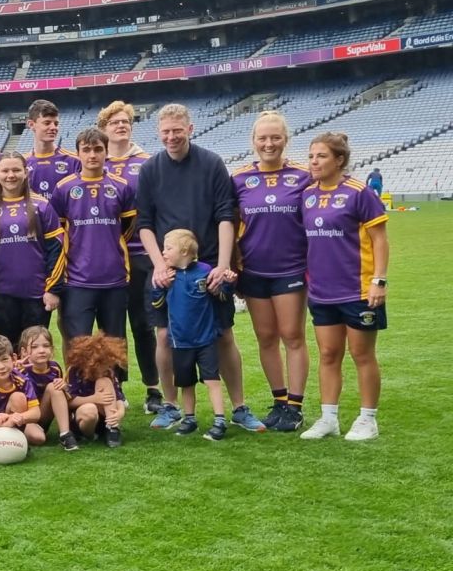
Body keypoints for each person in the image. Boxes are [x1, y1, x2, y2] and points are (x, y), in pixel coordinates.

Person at [136, 103, 265, 432]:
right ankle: (170, 405)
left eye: (177, 130)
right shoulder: (151, 169)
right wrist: (158, 266)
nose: (171, 137)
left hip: (206, 269)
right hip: (168, 272)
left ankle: (238, 408)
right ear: (158, 133)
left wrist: (221, 266)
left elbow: (225, 216)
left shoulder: (211, 164)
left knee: (222, 335)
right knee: (164, 337)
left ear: (190, 129)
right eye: (165, 132)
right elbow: (145, 225)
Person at [300, 133, 389, 442]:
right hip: (322, 291)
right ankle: (329, 418)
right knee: (328, 354)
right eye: (311, 156)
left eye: (321, 156)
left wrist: (379, 280)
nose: (314, 161)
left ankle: (368, 419)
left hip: (359, 289)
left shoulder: (359, 192)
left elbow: (380, 239)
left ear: (339, 160)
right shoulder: (307, 195)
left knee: (362, 354)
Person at [232, 111, 313, 432]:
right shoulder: (238, 179)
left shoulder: (303, 176)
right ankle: (279, 401)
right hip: (253, 271)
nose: (269, 144)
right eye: (263, 138)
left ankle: (295, 406)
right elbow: (230, 224)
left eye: (275, 137)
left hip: (291, 269)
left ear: (286, 140)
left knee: (292, 336)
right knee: (266, 338)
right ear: (253, 142)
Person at [99, 100, 162, 413]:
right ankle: (117, 386)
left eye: (126, 121)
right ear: (104, 129)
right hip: (108, 258)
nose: (121, 126)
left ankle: (153, 388)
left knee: (143, 324)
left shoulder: (147, 162)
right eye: (114, 122)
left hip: (142, 255)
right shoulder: (97, 162)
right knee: (113, 328)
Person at [50, 127, 136, 343]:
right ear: (78, 153)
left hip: (114, 279)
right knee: (80, 347)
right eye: (86, 150)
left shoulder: (121, 186)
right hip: (77, 280)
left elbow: (128, 226)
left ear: (106, 152)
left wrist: (109, 245)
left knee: (114, 347)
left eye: (98, 149)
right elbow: (58, 235)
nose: (92, 155)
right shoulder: (64, 188)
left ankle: (114, 380)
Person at [150, 229, 231, 441]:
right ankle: (189, 418)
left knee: (212, 379)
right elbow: (156, 304)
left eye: (168, 248)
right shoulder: (168, 275)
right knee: (185, 382)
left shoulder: (205, 271)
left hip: (206, 340)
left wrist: (229, 283)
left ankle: (220, 420)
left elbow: (221, 295)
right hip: (180, 341)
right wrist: (159, 287)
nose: (163, 252)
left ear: (184, 251)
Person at [0, 152, 65, 340]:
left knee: (34, 350)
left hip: (36, 295)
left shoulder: (42, 206)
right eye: (5, 170)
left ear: (26, 172)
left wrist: (53, 289)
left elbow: (56, 249)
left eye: (16, 170)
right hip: (1, 296)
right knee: (9, 352)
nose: (10, 175)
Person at [17, 326, 77, 451]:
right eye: (35, 347)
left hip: (43, 415)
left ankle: (65, 434)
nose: (41, 350)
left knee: (54, 386)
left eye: (46, 346)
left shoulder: (55, 368)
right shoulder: (19, 371)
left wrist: (65, 387)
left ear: (52, 349)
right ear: (23, 352)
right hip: (25, 418)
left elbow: (66, 396)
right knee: (39, 439)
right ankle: (17, 433)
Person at [64, 332, 127, 447]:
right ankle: (88, 435)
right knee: (90, 409)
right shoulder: (74, 372)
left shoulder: (108, 373)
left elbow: (118, 398)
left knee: (105, 382)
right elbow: (69, 402)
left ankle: (112, 428)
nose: (106, 367)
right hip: (82, 418)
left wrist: (120, 413)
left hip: (103, 418)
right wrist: (94, 399)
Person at [24, 99, 81, 198]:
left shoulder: (74, 161)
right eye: (47, 123)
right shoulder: (22, 163)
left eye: (56, 124)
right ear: (31, 124)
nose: (53, 127)